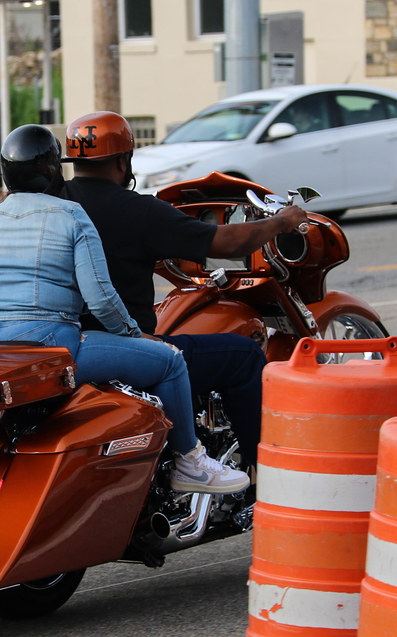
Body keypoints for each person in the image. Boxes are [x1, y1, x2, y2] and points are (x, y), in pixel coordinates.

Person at [0, 124, 249, 494]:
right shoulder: (71, 215)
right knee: (170, 360)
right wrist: (133, 333)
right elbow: (99, 297)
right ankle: (190, 462)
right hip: (53, 345)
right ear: (53, 169)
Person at [58, 111, 309, 490]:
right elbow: (228, 242)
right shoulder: (139, 210)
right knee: (243, 357)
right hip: (117, 349)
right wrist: (279, 222)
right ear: (124, 160)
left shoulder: (51, 204)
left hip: (54, 345)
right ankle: (268, 480)